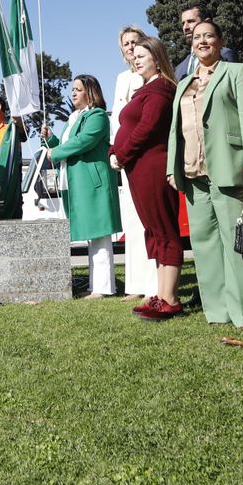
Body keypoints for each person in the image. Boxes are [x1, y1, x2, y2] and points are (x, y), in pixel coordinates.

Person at [167, 20, 243, 329]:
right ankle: (218, 310)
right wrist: (174, 167)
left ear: (221, 41)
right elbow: (176, 130)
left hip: (229, 166)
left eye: (209, 35)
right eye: (197, 37)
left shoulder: (237, 71)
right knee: (206, 244)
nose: (202, 41)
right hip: (194, 171)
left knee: (238, 243)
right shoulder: (183, 82)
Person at [111, 36, 184, 320]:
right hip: (137, 168)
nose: (135, 59)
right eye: (134, 56)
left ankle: (171, 298)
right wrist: (114, 150)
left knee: (164, 230)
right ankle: (160, 294)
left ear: (157, 57)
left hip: (152, 165)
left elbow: (147, 128)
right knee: (153, 231)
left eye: (142, 55)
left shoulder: (161, 88)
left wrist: (121, 153)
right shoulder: (146, 88)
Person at [40, 76, 121, 297]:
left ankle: (104, 288)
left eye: (78, 89)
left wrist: (54, 152)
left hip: (93, 183)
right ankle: (96, 286)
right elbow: (69, 144)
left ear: (91, 92)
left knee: (100, 235)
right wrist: (52, 139)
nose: (73, 93)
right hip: (77, 183)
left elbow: (84, 140)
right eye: (72, 89)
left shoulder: (97, 116)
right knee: (90, 235)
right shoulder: (73, 117)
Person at [110, 25, 157, 299]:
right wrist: (116, 152)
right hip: (124, 159)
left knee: (147, 220)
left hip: (145, 155)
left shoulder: (150, 77)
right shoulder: (120, 78)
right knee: (132, 221)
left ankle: (153, 283)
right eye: (126, 43)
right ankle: (135, 284)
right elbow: (117, 119)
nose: (130, 47)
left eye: (135, 42)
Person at [173, 3, 238, 80]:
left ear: (207, 22)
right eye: (183, 23)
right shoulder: (179, 69)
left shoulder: (224, 55)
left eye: (191, 21)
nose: (185, 27)